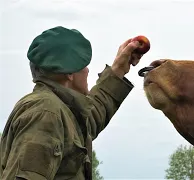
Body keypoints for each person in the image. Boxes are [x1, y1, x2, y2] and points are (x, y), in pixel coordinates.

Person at [0, 26, 145, 180]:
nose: (87, 71)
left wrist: (118, 70)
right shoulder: (45, 112)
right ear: (69, 72)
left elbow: (90, 117)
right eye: (83, 65)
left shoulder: (59, 109)